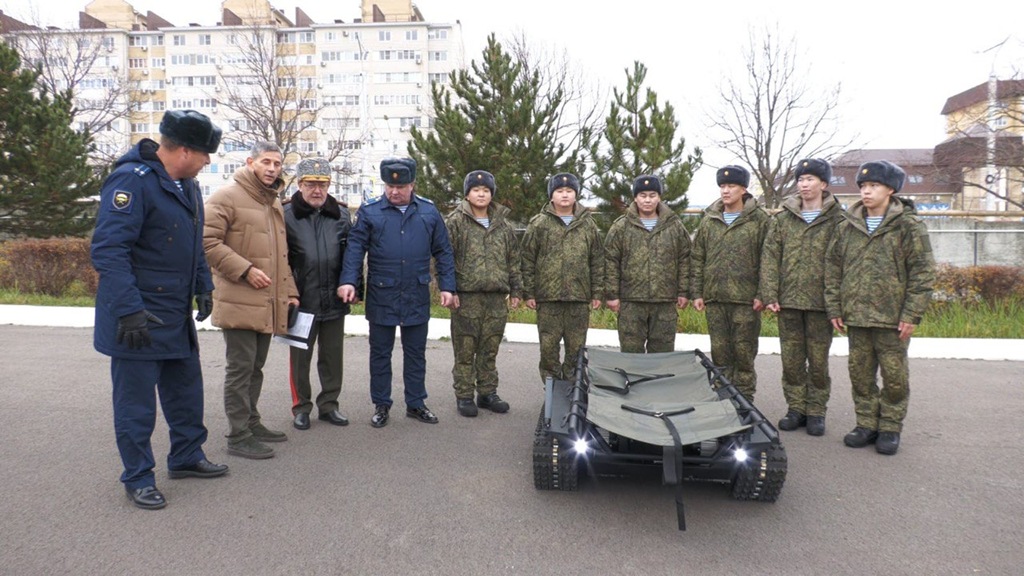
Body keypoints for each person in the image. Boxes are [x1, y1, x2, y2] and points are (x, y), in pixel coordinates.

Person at [91, 109, 228, 510]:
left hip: (174, 311)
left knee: (186, 391)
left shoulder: (187, 186)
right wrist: (128, 309)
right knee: (136, 405)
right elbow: (109, 250)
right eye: (204, 154)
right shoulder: (131, 181)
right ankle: (138, 477)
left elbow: (193, 243)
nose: (207, 161)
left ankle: (186, 456)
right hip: (137, 316)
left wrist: (203, 285)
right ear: (184, 150)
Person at [825, 160, 935, 455]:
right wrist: (835, 308)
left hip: (892, 318)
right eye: (863, 186)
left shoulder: (908, 226)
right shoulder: (847, 226)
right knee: (860, 375)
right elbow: (833, 269)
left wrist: (911, 313)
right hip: (857, 316)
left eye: (874, 185)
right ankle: (866, 424)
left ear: (890, 190)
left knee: (894, 377)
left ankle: (889, 427)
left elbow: (923, 272)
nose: (866, 191)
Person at [337, 157, 456, 428]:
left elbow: (443, 251)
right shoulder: (370, 212)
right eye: (390, 186)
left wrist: (448, 286)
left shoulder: (428, 212)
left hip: (416, 292)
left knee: (416, 353)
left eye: (401, 186)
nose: (394, 191)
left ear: (412, 185)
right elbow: (355, 249)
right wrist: (349, 281)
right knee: (380, 354)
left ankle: (416, 403)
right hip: (383, 294)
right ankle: (381, 404)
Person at [204, 142, 299, 459]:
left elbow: (280, 257)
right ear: (250, 162)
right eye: (266, 162)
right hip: (238, 299)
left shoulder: (272, 202)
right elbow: (206, 242)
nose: (272, 169)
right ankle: (238, 435)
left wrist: (290, 292)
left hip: (266, 301)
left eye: (277, 163)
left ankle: (251, 422)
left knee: (255, 368)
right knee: (240, 369)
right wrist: (244, 270)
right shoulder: (226, 197)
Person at [759, 159, 843, 436]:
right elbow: (770, 258)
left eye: (810, 179)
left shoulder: (838, 220)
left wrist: (837, 303)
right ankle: (796, 407)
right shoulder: (783, 219)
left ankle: (816, 411)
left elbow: (844, 261)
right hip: (789, 302)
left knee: (818, 362)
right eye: (801, 179)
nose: (804, 185)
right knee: (792, 361)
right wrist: (770, 293)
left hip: (821, 303)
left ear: (823, 183)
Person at [444, 170, 523, 417]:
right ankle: (465, 395)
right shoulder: (455, 222)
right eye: (476, 190)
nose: (481, 194)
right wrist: (450, 289)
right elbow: (445, 258)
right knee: (465, 350)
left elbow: (513, 260)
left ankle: (487, 393)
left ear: (492, 194)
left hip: (495, 299)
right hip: (466, 297)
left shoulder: (504, 226)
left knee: (490, 349)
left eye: (486, 190)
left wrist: (516, 289)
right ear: (467, 194)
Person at [283, 158, 354, 430]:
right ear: (300, 184)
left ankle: (329, 405)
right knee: (300, 359)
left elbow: (351, 256)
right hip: (301, 300)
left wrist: (353, 286)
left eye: (322, 184)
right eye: (311, 184)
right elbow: (280, 260)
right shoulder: (285, 214)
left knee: (332, 357)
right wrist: (287, 293)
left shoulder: (342, 215)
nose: (317, 190)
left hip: (334, 299)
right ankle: (301, 407)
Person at [690, 165, 769, 403]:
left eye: (731, 186)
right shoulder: (710, 220)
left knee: (744, 352)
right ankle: (723, 396)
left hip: (746, 299)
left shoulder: (760, 220)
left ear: (743, 189)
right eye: (722, 186)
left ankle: (744, 400)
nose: (725, 191)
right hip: (715, 298)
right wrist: (697, 292)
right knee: (720, 352)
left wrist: (763, 293)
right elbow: (698, 257)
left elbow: (768, 259)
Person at [521, 173, 603, 382]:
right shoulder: (539, 224)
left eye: (569, 191)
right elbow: (528, 259)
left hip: (578, 297)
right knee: (548, 347)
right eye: (559, 191)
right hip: (548, 298)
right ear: (551, 195)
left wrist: (597, 293)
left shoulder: (588, 225)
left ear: (576, 195)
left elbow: (596, 260)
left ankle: (573, 387)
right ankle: (552, 388)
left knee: (576, 348)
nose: (564, 195)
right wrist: (529, 293)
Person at [604, 174, 691, 353]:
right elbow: (611, 261)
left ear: (659, 197)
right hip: (631, 301)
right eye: (643, 195)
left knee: (662, 354)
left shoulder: (674, 226)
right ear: (635, 198)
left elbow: (685, 259)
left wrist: (683, 292)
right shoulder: (621, 227)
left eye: (652, 195)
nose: (647, 200)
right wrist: (612, 294)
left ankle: (658, 374)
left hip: (664, 301)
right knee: (631, 353)